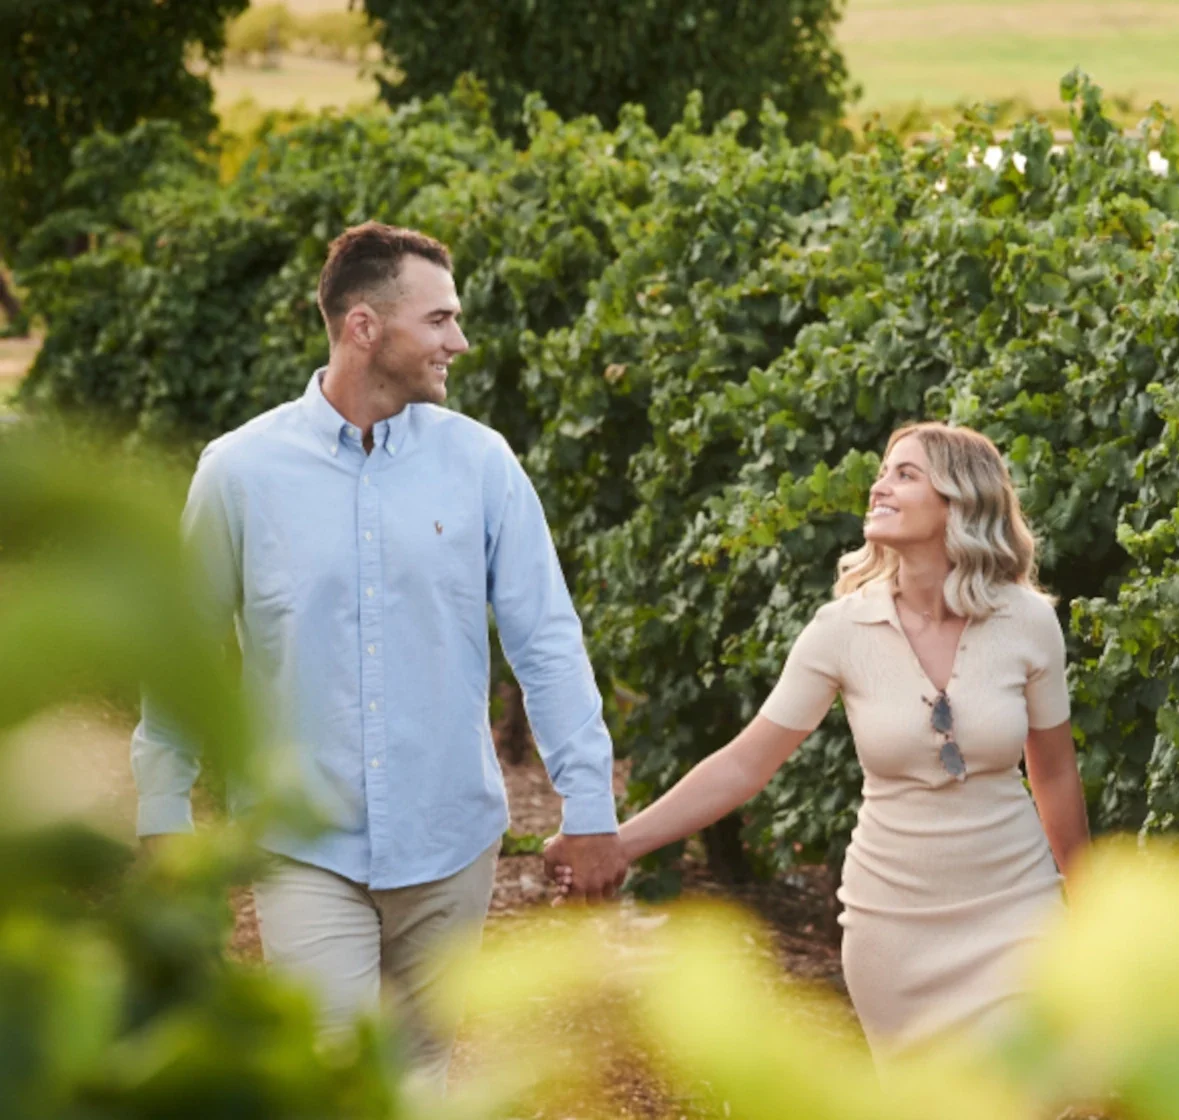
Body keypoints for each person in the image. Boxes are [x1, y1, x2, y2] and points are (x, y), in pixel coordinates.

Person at [129, 222, 629, 1088]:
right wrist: (163, 811)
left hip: (450, 841)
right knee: (332, 1078)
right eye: (439, 320)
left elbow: (546, 639)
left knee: (420, 1074)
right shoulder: (239, 472)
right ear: (364, 327)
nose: (458, 342)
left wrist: (589, 804)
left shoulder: (482, 464)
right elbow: (184, 649)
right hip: (303, 844)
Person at [549, 422, 1092, 1058]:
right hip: (894, 927)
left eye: (905, 475)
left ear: (960, 500)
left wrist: (1093, 902)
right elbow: (745, 765)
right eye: (883, 472)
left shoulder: (1027, 621)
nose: (879, 487)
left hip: (1017, 910)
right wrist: (617, 844)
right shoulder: (842, 629)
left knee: (1024, 1090)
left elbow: (1054, 772)